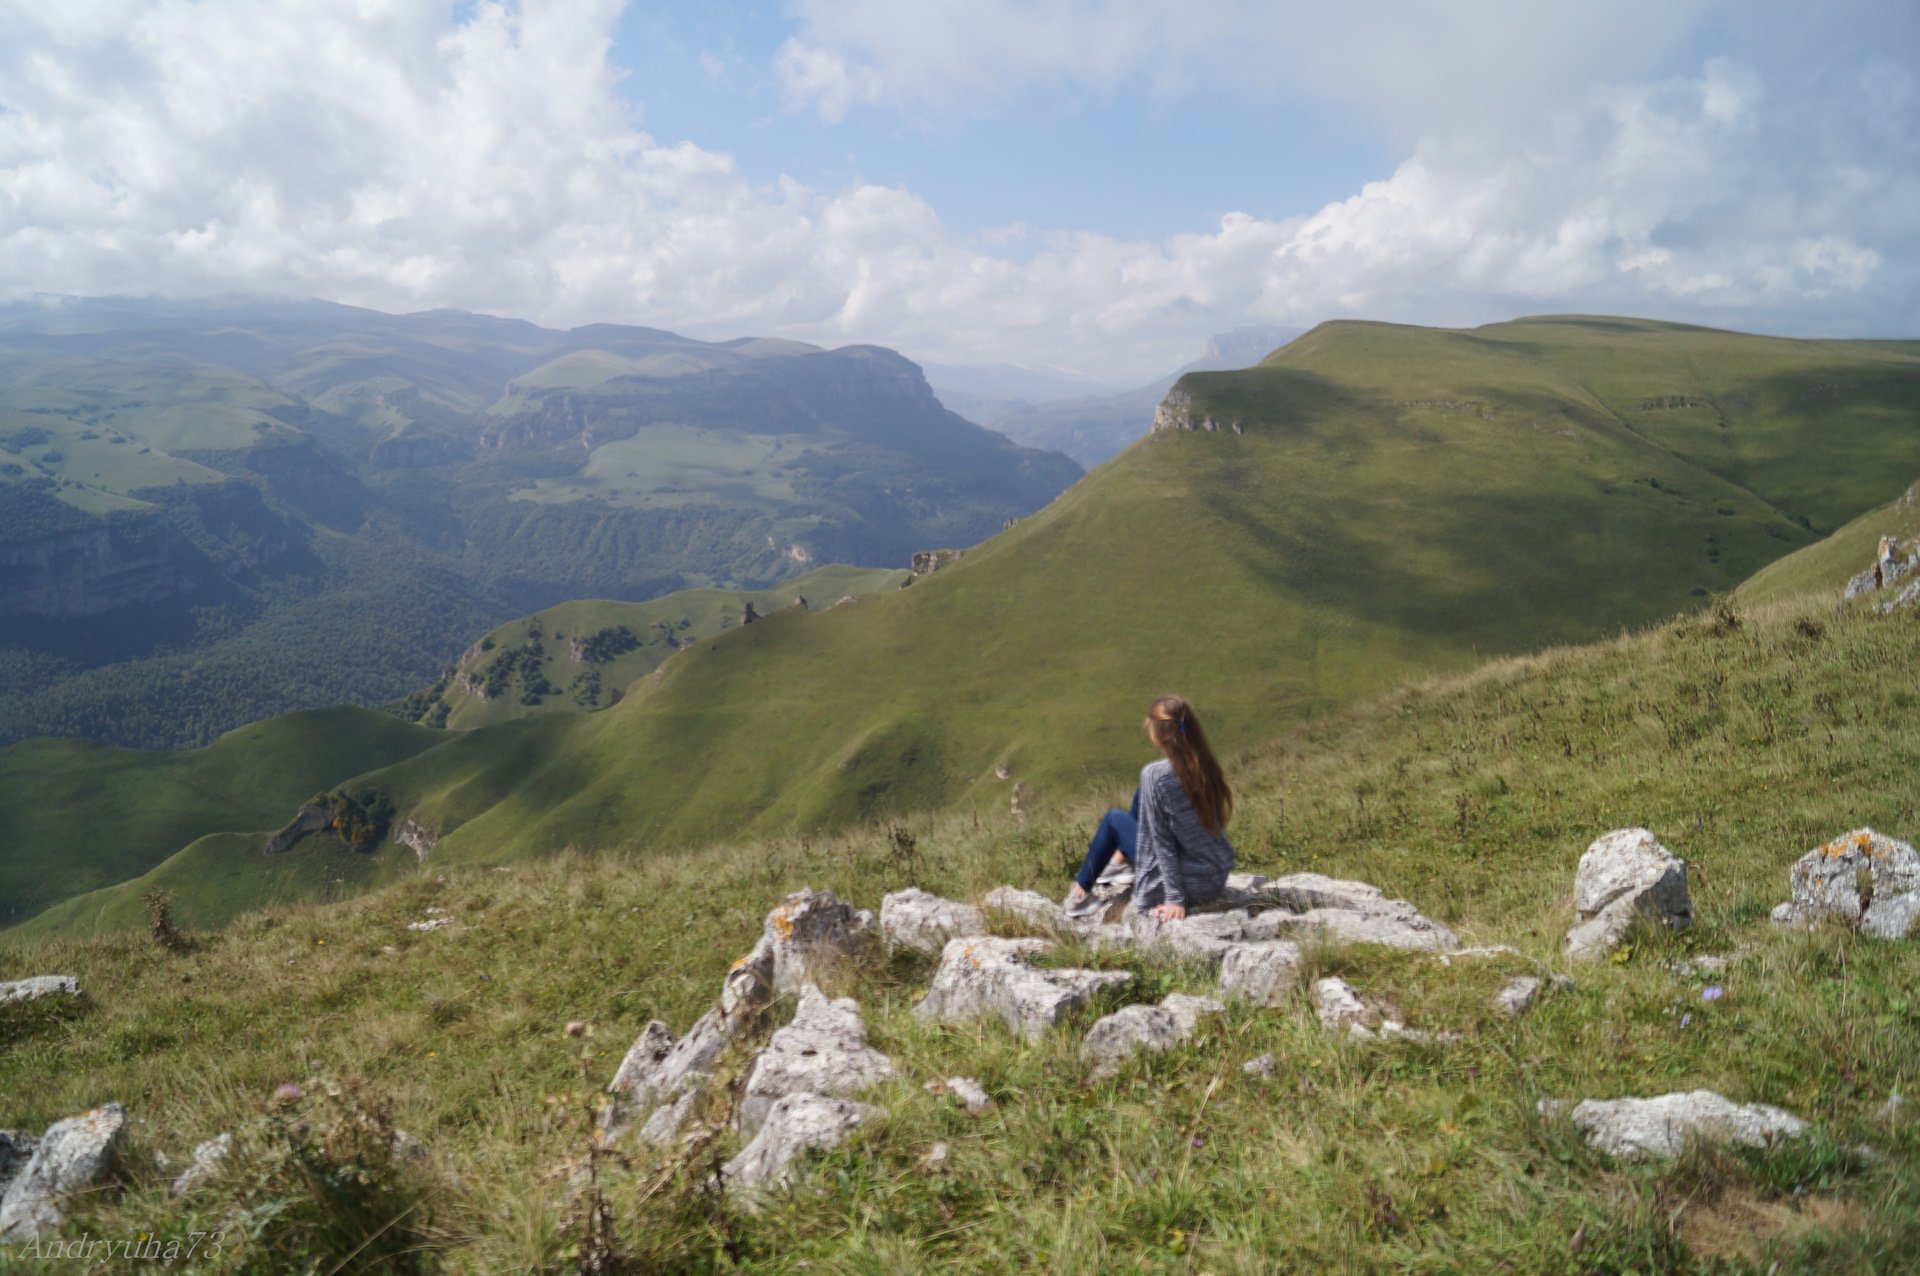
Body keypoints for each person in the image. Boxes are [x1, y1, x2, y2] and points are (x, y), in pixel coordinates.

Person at [1066, 694, 1235, 922]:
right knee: (1142, 792)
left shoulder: (1156, 775)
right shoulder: (1203, 762)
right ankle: (1118, 863)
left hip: (1190, 883)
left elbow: (1162, 841)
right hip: (1214, 875)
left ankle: (1079, 895)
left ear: (1158, 733)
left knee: (1113, 819)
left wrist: (1175, 899)